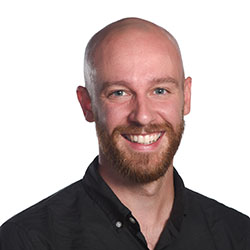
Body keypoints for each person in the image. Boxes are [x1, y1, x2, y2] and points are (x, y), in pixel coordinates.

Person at [0, 17, 249, 250]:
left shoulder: (238, 236)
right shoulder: (25, 241)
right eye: (119, 93)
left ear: (186, 97)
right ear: (87, 105)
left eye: (160, 90)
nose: (142, 116)